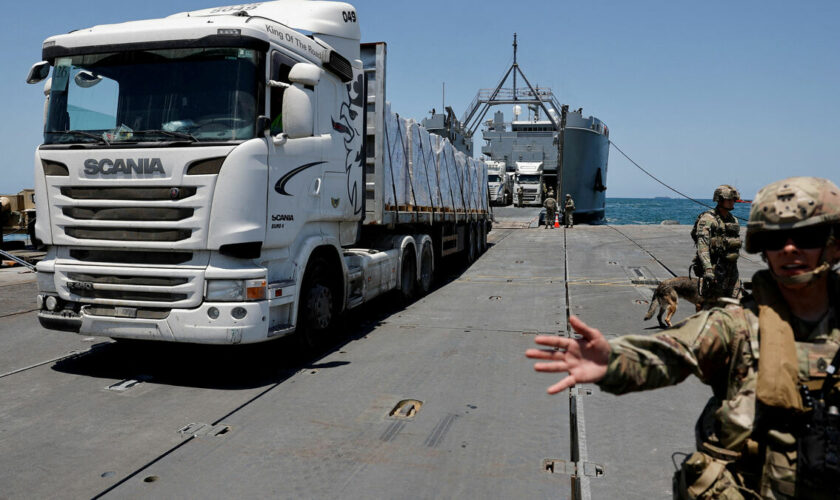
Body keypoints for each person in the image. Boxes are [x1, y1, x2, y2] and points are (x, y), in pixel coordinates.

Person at [526, 176, 840, 499]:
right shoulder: (739, 325)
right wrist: (613, 360)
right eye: (776, 240)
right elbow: (673, 350)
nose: (789, 248)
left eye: (806, 237)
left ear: (834, 243)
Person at [692, 185, 742, 303]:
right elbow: (702, 245)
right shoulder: (708, 219)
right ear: (720, 200)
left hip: (732, 270)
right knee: (713, 306)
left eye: (733, 200)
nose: (732, 202)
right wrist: (708, 270)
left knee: (735, 305)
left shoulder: (733, 220)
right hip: (715, 270)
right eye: (729, 200)